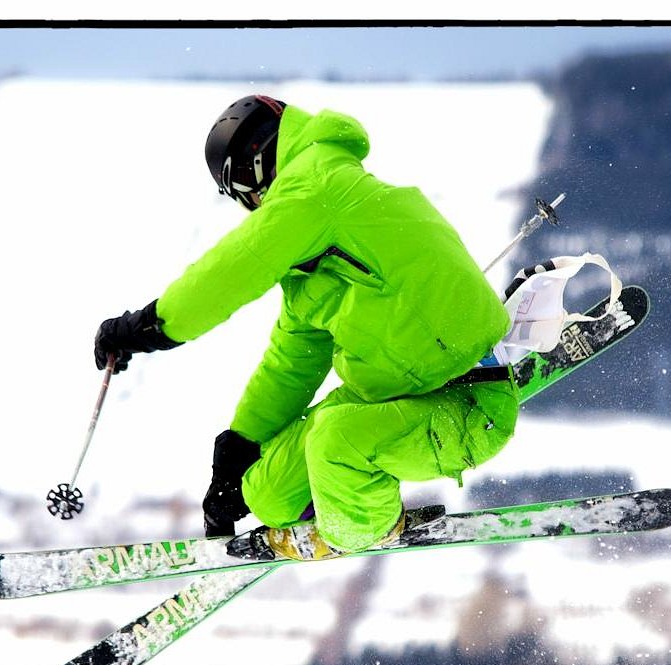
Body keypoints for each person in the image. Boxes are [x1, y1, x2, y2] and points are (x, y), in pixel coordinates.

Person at [93, 95, 519, 560]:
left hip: (467, 401)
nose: (253, 210)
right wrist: (239, 450)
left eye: (244, 197)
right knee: (267, 493)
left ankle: (362, 528)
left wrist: (148, 327)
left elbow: (233, 268)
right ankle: (338, 501)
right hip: (394, 397)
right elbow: (292, 362)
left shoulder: (318, 187)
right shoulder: (318, 255)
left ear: (252, 174)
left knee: (334, 441)